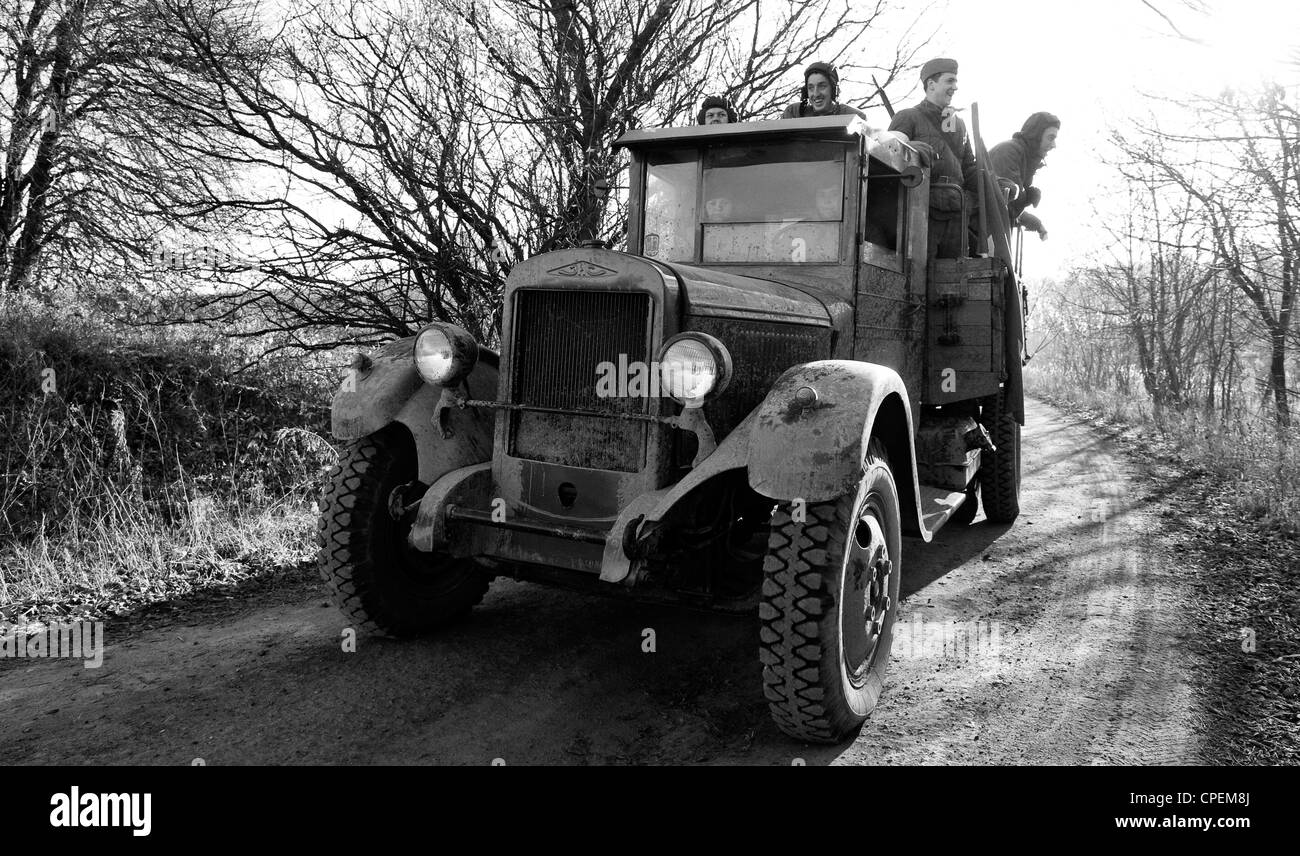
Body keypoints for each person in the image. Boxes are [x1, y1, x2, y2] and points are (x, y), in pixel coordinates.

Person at [887, 57, 979, 258]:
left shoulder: (959, 125)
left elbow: (969, 168)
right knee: (919, 279)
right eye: (950, 81)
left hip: (957, 214)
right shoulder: (908, 116)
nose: (955, 87)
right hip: (922, 211)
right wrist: (910, 147)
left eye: (955, 81)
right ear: (931, 84)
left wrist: (992, 183)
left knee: (954, 281)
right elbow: (890, 149)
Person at [990, 112, 1060, 241]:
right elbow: (1006, 203)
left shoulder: (1023, 157)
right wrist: (1027, 197)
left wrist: (1035, 222)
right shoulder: (1009, 152)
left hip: (989, 234)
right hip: (979, 235)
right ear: (1036, 136)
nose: (1054, 145)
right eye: (1051, 137)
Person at [780, 62, 867, 119]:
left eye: (822, 86)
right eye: (811, 88)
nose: (816, 93)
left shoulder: (854, 117)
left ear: (833, 90)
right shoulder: (794, 113)